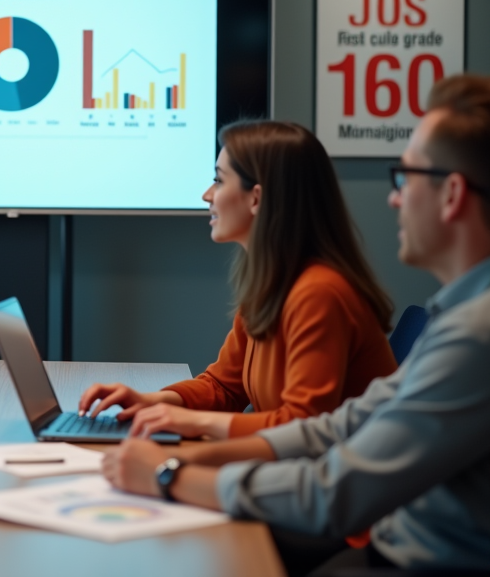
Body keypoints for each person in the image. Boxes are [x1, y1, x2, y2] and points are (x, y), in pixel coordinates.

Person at [102, 74, 490, 575]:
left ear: (452, 193)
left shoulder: (462, 331)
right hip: (375, 529)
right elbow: (331, 422)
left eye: (405, 177)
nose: (393, 198)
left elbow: (331, 486)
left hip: (387, 546)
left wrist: (171, 474)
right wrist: (173, 422)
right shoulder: (453, 315)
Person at [78, 120, 398, 439]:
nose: (207, 195)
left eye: (218, 181)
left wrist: (186, 421)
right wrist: (152, 401)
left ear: (256, 198)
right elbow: (223, 387)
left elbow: (302, 426)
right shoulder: (272, 282)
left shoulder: (319, 293)